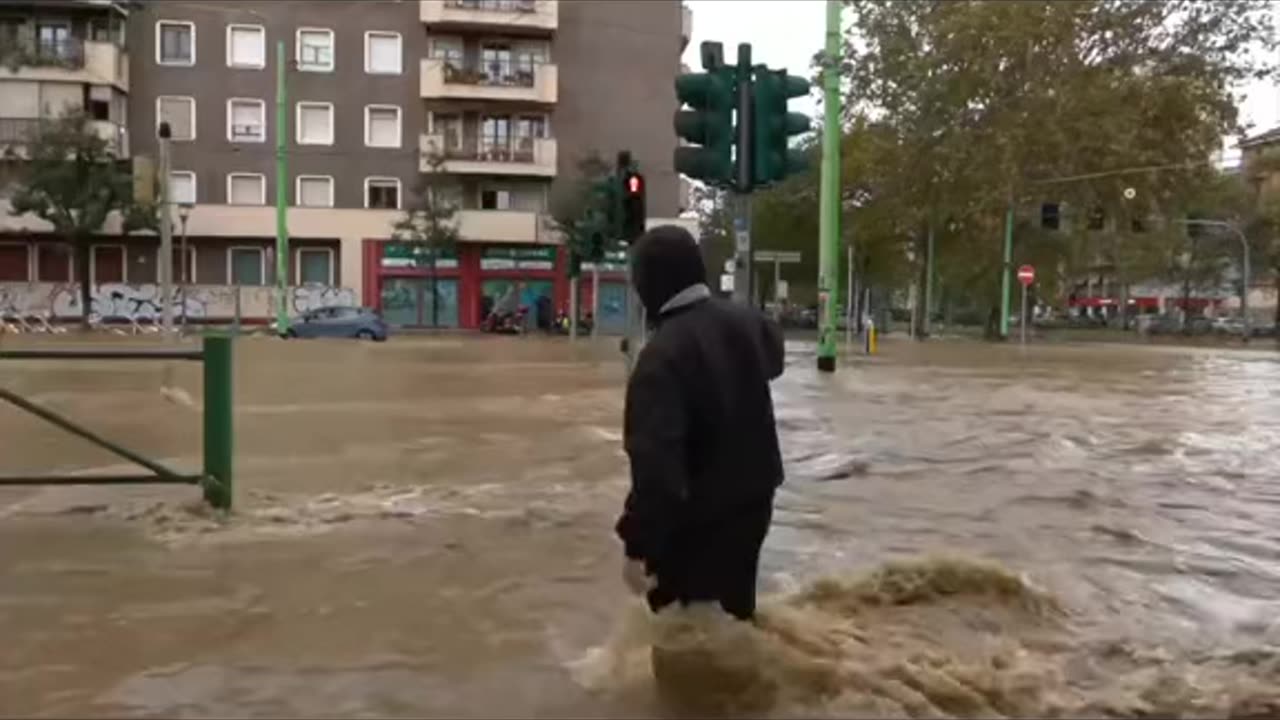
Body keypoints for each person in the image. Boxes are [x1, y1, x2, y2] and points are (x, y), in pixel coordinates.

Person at [615, 224, 786, 622]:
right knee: (735, 616)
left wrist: (637, 545)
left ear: (647, 287)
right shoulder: (749, 323)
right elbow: (773, 359)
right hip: (755, 501)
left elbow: (657, 471)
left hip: (697, 519)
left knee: (687, 638)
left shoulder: (660, 358)